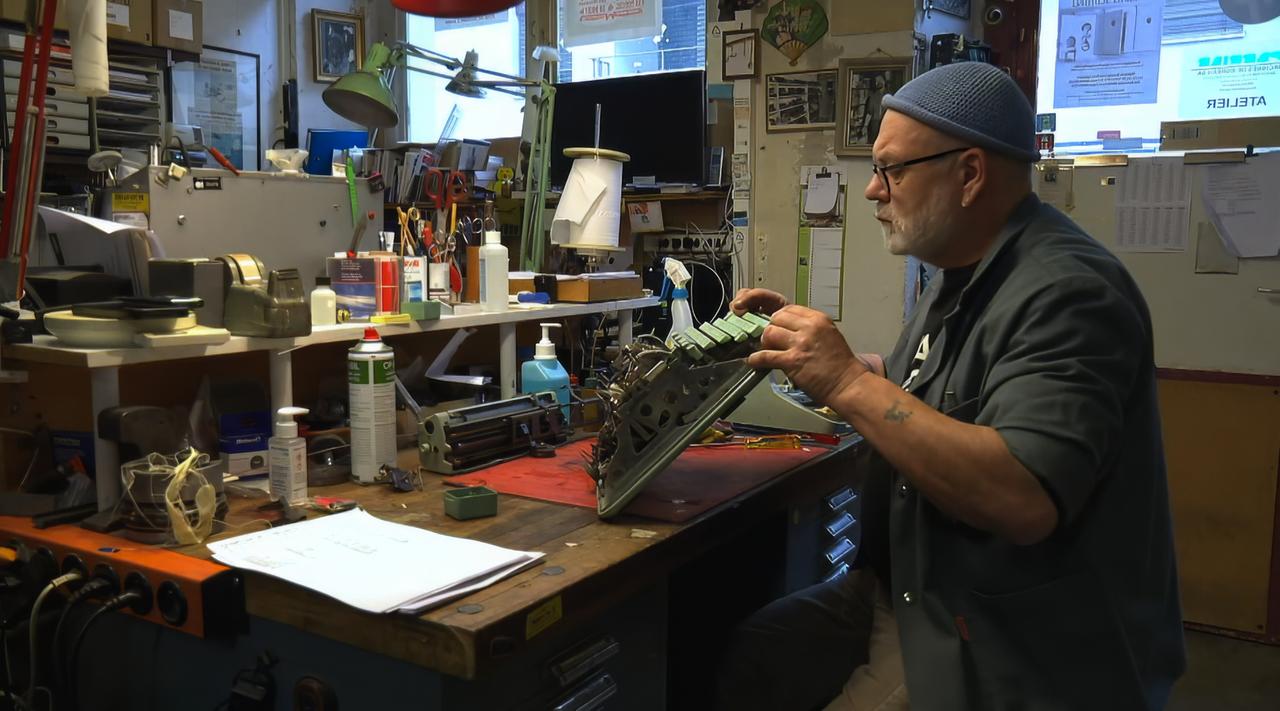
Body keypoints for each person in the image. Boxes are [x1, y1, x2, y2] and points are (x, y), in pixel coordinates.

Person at [715, 61, 1185, 710]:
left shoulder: (1069, 293)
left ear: (969, 174)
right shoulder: (961, 271)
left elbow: (1023, 495)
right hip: (912, 584)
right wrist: (813, 358)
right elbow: (926, 387)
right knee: (755, 655)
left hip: (1007, 632)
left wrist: (846, 380)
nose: (874, 191)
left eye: (891, 170)